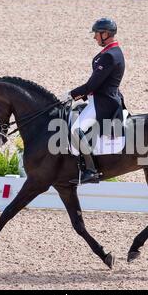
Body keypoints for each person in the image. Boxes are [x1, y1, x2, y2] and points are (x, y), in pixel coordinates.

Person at [60, 17, 126, 185]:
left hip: (103, 102)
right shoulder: (108, 53)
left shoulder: (110, 56)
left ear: (106, 34)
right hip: (97, 98)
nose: (95, 37)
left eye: (97, 34)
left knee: (75, 130)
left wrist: (71, 94)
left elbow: (92, 84)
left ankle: (91, 170)